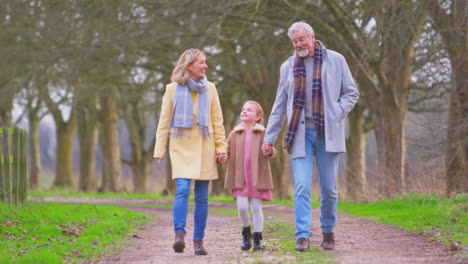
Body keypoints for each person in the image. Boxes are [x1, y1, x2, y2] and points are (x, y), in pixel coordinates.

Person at [261, 21, 359, 252]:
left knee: (329, 188)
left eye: (301, 39)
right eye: (294, 41)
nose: (298, 44)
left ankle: (328, 232)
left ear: (312, 37)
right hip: (300, 134)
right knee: (302, 186)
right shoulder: (288, 66)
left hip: (328, 133)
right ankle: (302, 235)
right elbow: (279, 104)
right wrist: (269, 138)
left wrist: (337, 111)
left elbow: (351, 92)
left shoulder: (335, 59)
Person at [154, 48, 227, 255]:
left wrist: (222, 148)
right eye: (201, 62)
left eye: (205, 62)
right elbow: (164, 122)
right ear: (189, 66)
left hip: (206, 147)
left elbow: (217, 121)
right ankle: (179, 234)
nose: (205, 66)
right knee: (183, 190)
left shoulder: (211, 88)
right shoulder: (171, 89)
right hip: (181, 147)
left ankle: (199, 240)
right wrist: (159, 149)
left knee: (202, 197)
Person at [223, 100, 275, 251]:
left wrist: (270, 150)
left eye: (249, 110)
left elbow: (273, 150)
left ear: (257, 117)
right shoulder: (235, 132)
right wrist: (222, 155)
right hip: (240, 177)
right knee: (242, 207)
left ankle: (257, 238)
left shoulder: (263, 132)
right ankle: (246, 233)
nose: (245, 111)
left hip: (257, 177)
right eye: (243, 109)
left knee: (257, 207)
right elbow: (226, 149)